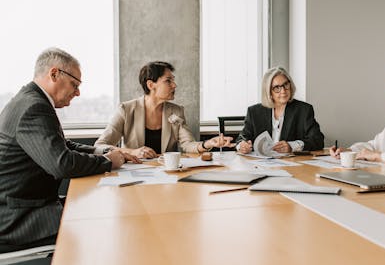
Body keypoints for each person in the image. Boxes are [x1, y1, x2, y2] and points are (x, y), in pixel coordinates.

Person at [0, 48, 133, 252]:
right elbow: (61, 164)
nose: (78, 92)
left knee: (97, 210)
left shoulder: (31, 100)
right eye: (75, 84)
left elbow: (64, 145)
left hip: (27, 203)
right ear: (54, 74)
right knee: (106, 226)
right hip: (19, 217)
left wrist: (103, 151)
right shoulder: (33, 107)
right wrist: (109, 162)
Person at [95, 61, 232, 158]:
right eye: (168, 81)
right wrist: (132, 152)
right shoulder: (126, 110)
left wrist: (207, 143)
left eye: (173, 80)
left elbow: (187, 144)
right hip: (132, 174)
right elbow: (100, 146)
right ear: (150, 85)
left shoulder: (176, 111)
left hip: (166, 174)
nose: (174, 85)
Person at [236, 66, 324, 154]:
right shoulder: (254, 112)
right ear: (268, 92)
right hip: (260, 165)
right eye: (277, 88)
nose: (283, 91)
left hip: (292, 164)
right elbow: (243, 137)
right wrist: (241, 145)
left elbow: (318, 140)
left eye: (285, 84)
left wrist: (292, 146)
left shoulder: (304, 110)